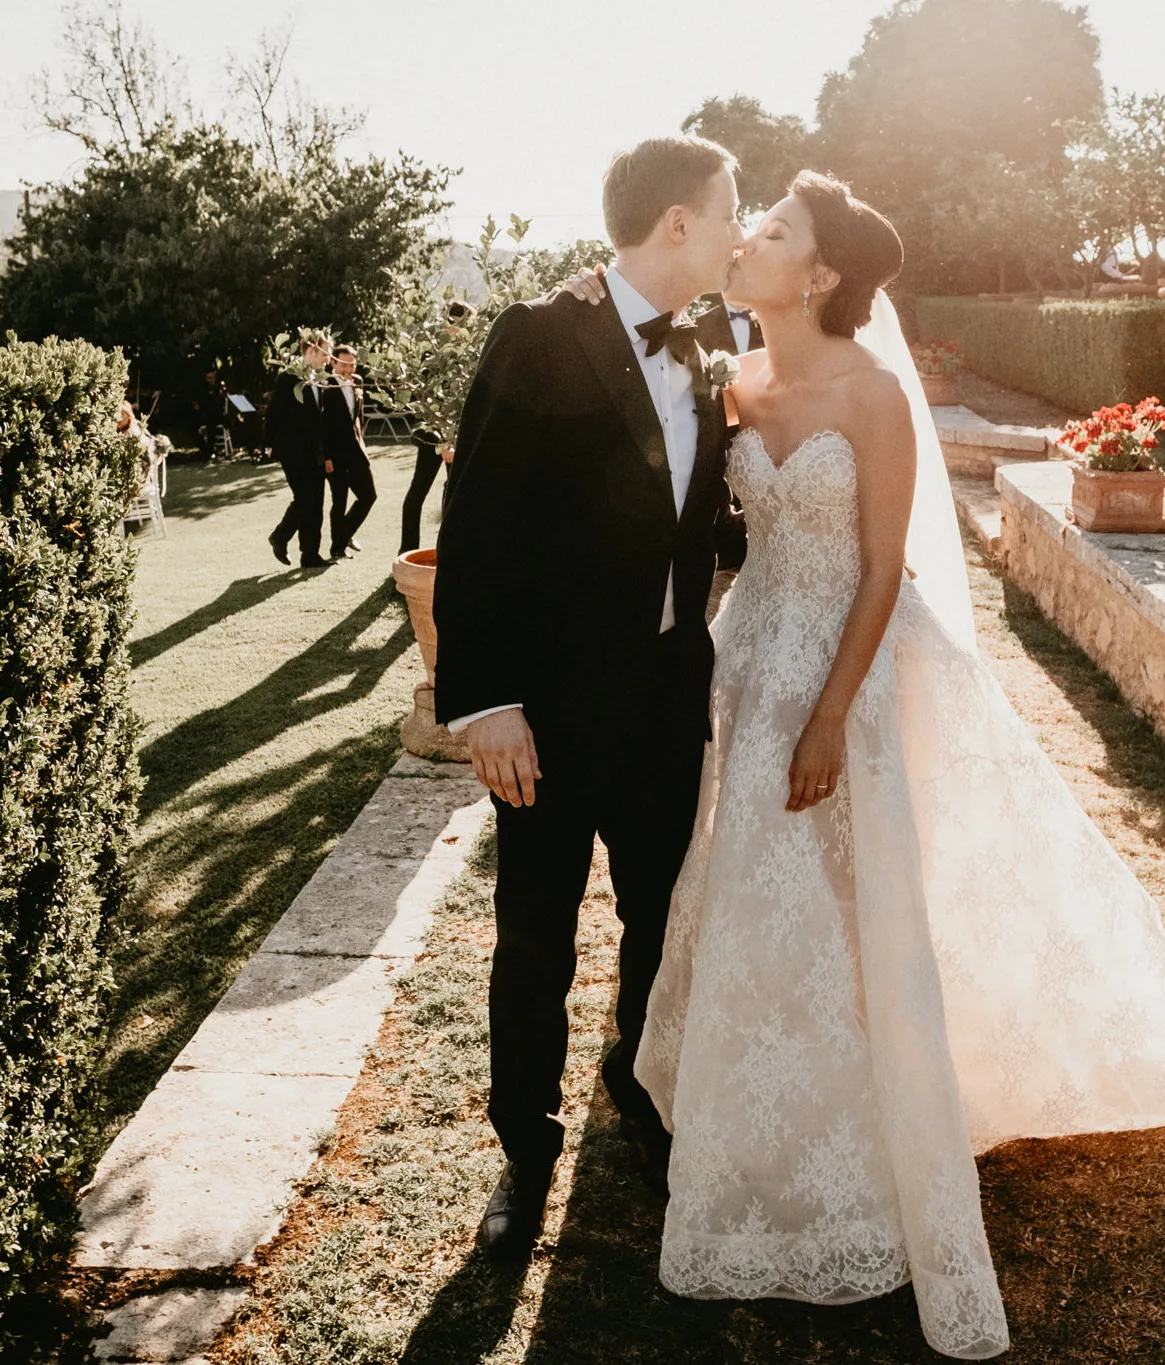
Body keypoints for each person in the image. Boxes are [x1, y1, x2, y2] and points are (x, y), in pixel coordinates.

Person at [560, 173, 1165, 1360]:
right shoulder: (733, 378)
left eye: (773, 230)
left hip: (844, 669)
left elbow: (880, 572)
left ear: (823, 275)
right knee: (750, 887)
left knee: (866, 900)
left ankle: (862, 1134)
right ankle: (742, 1120)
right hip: (746, 663)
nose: (747, 238)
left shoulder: (876, 395)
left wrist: (828, 717)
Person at [429, 135, 746, 1265]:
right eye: (726, 211)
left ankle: (642, 1105)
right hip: (548, 717)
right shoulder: (539, 333)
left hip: (667, 696)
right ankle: (523, 1149)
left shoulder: (713, 341)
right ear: (673, 224)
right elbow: (475, 539)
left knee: (662, 923)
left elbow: (701, 513)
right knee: (533, 941)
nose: (736, 231)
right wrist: (489, 703)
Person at [398, 299, 475, 555]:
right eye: (466, 324)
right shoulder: (432, 355)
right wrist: (443, 441)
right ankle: (407, 551)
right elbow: (427, 400)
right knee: (418, 491)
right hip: (432, 435)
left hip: (459, 435)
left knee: (456, 494)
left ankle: (450, 551)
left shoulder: (467, 356)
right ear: (453, 324)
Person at [266, 333, 331, 568]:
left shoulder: (318, 378)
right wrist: (271, 445)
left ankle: (310, 553)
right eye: (324, 353)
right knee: (305, 499)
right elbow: (274, 413)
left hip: (315, 452)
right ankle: (280, 536)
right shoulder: (288, 377)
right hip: (293, 452)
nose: (327, 358)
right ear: (311, 351)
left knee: (317, 503)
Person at [324, 344, 378, 558]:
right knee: (339, 501)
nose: (348, 369)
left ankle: (344, 534)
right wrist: (326, 456)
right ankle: (337, 549)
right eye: (343, 364)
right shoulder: (324, 385)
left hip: (356, 452)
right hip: (335, 456)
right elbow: (321, 425)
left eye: (352, 364)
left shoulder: (357, 382)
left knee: (369, 496)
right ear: (333, 362)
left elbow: (359, 417)